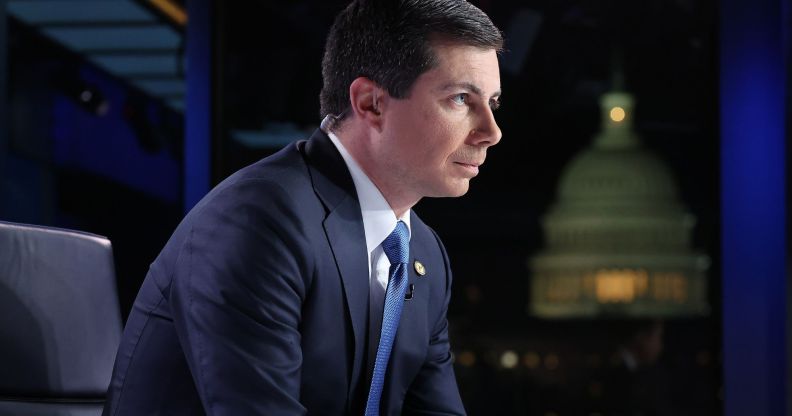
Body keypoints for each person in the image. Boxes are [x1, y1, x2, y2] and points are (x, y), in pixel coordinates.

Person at [103, 0, 503, 414]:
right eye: (460, 99)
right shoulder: (256, 222)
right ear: (370, 103)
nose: (492, 132)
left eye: (492, 103)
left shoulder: (423, 253)